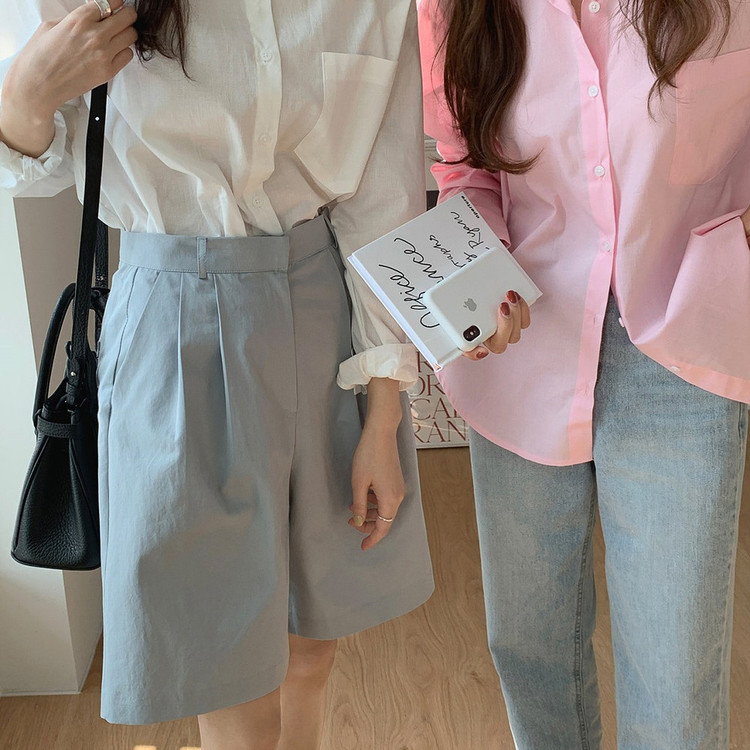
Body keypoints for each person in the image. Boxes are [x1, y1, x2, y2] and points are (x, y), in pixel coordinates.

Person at [0, 0, 435, 747]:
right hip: (173, 322)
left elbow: (383, 198)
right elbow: (28, 166)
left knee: (312, 641)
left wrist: (386, 408)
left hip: (321, 312)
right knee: (224, 665)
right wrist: (25, 97)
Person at [419, 0, 750, 747]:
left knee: (674, 686)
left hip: (681, 342)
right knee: (529, 648)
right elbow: (465, 167)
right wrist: (476, 272)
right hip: (524, 347)